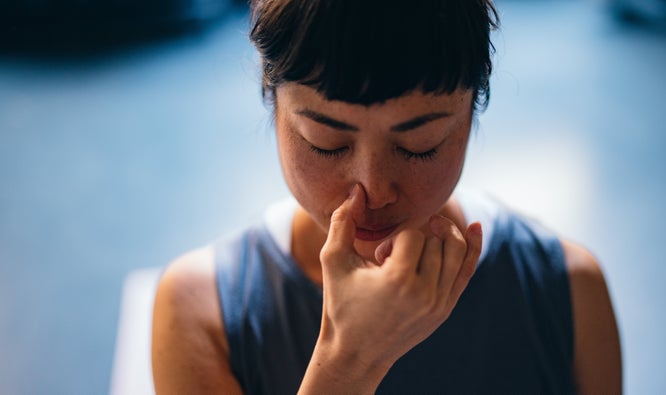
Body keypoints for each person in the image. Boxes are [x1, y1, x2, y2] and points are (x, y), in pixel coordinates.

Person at [151, 0, 622, 393]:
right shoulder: (200, 313)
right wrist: (347, 365)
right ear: (271, 101)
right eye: (326, 142)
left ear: (474, 108)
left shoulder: (568, 293)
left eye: (420, 146)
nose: (373, 190)